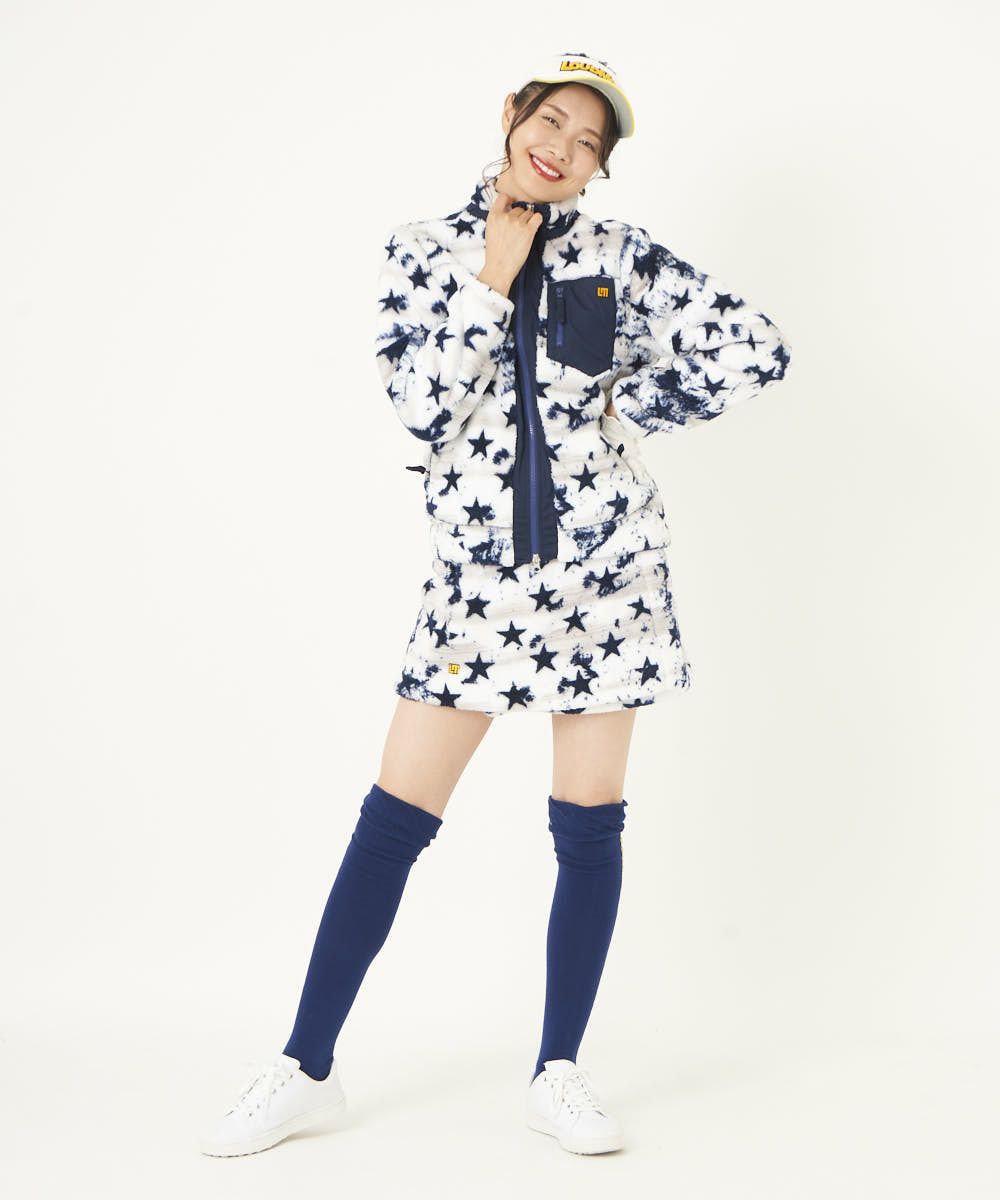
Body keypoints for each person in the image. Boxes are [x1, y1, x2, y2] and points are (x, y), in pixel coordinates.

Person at [198, 50, 792, 1160]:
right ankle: (305, 1067)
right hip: (477, 588)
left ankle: (557, 1071)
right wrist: (494, 273)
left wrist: (631, 409)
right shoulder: (423, 252)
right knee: (393, 822)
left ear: (600, 168)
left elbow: (757, 349)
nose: (562, 148)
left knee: (589, 827)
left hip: (607, 581)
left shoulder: (620, 258)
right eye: (551, 120)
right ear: (512, 115)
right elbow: (424, 410)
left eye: (589, 142)